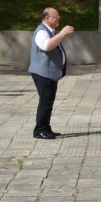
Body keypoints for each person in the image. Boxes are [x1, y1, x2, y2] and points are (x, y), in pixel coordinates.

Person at [29, 8, 74, 139]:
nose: (59, 18)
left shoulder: (49, 31)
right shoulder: (42, 31)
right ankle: (39, 130)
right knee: (45, 101)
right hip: (43, 72)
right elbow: (47, 46)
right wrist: (62, 34)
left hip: (48, 72)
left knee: (48, 100)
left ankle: (46, 127)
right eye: (56, 16)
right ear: (47, 18)